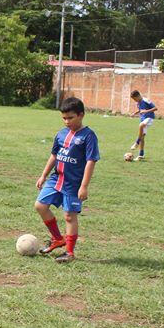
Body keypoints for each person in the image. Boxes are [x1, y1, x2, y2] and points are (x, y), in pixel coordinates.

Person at [34, 97, 100, 263]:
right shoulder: (61, 134)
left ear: (81, 115)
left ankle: (69, 253)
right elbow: (54, 155)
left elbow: (91, 161)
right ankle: (57, 239)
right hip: (57, 178)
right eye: (64, 118)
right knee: (40, 206)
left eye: (70, 118)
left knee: (70, 216)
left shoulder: (88, 136)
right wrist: (43, 175)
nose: (66, 121)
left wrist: (84, 186)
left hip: (74, 183)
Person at [129, 90, 157, 161]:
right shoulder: (138, 103)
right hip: (143, 119)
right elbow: (140, 110)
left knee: (141, 125)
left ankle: (136, 142)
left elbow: (155, 108)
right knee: (142, 137)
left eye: (135, 99)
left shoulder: (146, 100)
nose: (135, 101)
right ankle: (141, 155)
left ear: (138, 96)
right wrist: (134, 113)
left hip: (149, 118)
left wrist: (146, 111)